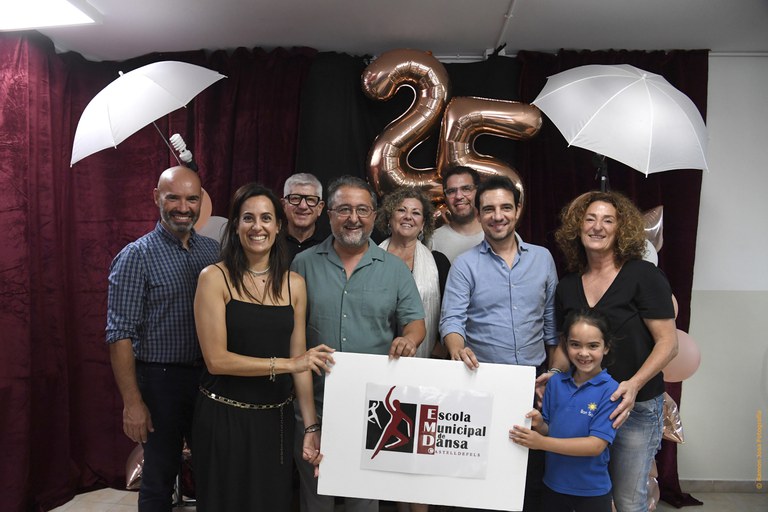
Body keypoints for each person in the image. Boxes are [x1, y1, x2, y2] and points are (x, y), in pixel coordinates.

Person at [192, 183, 335, 510]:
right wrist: (288, 364)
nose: (258, 227)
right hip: (223, 418)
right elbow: (216, 360)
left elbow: (300, 363)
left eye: (266, 218)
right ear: (235, 225)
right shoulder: (214, 278)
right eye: (248, 218)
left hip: (275, 422)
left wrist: (311, 426)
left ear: (279, 226)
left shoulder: (294, 284)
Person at [292, 175, 426, 512]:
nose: (354, 218)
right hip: (315, 405)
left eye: (362, 210)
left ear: (374, 215)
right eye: (344, 209)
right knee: (315, 498)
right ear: (329, 214)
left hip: (374, 409)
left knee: (363, 501)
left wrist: (408, 339)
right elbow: (291, 333)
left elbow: (416, 324)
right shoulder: (303, 264)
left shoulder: (394, 269)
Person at [551, 190, 678, 512]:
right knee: (587, 498)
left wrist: (633, 385)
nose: (598, 227)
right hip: (585, 405)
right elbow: (566, 347)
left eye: (608, 220)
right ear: (577, 227)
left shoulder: (644, 276)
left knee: (627, 501)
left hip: (635, 407)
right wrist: (552, 375)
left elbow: (668, 343)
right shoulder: (567, 285)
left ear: (621, 229)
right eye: (590, 219)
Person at [439, 174, 558, 512]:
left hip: (534, 382)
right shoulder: (465, 264)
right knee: (483, 473)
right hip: (482, 381)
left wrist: (555, 374)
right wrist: (456, 347)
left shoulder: (542, 258)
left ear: (518, 210)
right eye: (489, 209)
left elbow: (552, 324)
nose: (498, 216)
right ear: (478, 215)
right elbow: (451, 320)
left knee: (530, 472)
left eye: (506, 207)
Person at [105, 166, 219, 512]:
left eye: (191, 199)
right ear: (157, 197)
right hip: (159, 382)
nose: (183, 207)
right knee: (159, 477)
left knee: (213, 472)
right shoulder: (135, 256)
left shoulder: (213, 252)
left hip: (208, 379)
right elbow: (119, 334)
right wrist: (132, 403)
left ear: (201, 202)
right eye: (173, 198)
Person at [510, 308, 619, 512]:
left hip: (592, 491)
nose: (583, 353)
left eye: (593, 346)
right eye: (575, 344)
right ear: (565, 344)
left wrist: (541, 443)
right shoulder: (555, 383)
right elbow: (550, 430)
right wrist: (540, 424)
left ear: (606, 347)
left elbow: (595, 445)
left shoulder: (612, 390)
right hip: (552, 486)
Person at [376, 186, 451, 361]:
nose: (408, 216)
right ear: (389, 218)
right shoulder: (369, 259)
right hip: (376, 356)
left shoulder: (438, 263)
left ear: (423, 224)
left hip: (425, 359)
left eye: (416, 213)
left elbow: (449, 313)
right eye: (401, 210)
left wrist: (438, 351)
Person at [430, 166, 484, 263]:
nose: (458, 196)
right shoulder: (433, 240)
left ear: (478, 192)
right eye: (451, 191)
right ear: (445, 198)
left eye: (466, 189)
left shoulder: (497, 234)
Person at [282, 172, 328, 262]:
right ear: (284, 205)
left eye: (310, 199)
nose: (303, 206)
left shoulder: (332, 245)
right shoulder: (271, 241)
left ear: (320, 207)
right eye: (295, 198)